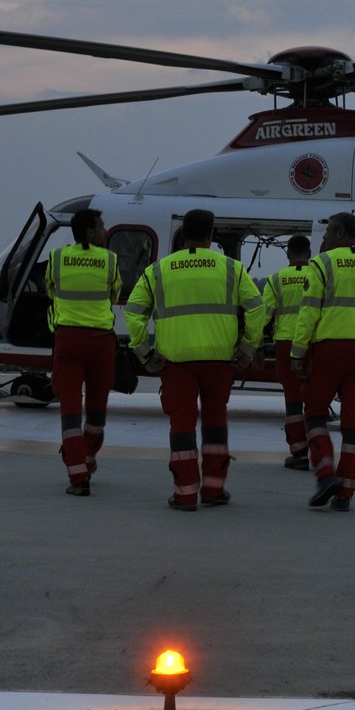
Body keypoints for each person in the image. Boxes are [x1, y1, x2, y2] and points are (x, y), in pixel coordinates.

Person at [124, 209, 266, 511]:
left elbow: (134, 313)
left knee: (182, 424)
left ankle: (185, 493)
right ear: (211, 235)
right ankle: (214, 490)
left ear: (183, 234)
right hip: (219, 360)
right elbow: (257, 308)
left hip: (175, 362)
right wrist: (248, 347)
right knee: (215, 421)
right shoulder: (231, 269)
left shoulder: (158, 270)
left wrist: (144, 353)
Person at [291, 212, 355, 511]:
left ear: (337, 232)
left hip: (328, 351)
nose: (321, 240)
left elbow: (308, 312)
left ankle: (325, 475)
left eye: (325, 233)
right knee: (353, 424)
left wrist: (297, 353)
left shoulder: (321, 265)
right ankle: (345, 493)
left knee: (315, 415)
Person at [45, 208, 120, 496]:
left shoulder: (57, 258)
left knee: (70, 411)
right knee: (98, 410)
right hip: (101, 341)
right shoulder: (110, 261)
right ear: (89, 231)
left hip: (68, 339)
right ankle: (88, 459)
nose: (104, 230)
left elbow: (50, 289)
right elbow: (114, 293)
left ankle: (77, 475)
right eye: (101, 226)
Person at [262, 235, 312, 471]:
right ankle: (319, 450)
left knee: (293, 401)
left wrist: (254, 346)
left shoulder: (276, 280)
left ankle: (299, 452)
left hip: (286, 344)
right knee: (314, 399)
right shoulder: (318, 276)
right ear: (309, 253)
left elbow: (264, 315)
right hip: (314, 343)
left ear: (288, 254)